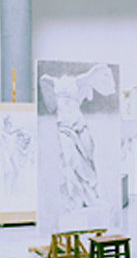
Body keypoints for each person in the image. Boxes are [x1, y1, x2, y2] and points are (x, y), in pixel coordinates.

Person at [39, 64, 116, 210]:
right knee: (70, 161)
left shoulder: (78, 86)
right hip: (65, 129)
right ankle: (74, 197)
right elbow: (50, 103)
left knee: (87, 160)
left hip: (80, 127)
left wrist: (100, 70)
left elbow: (97, 79)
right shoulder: (58, 84)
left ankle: (91, 195)